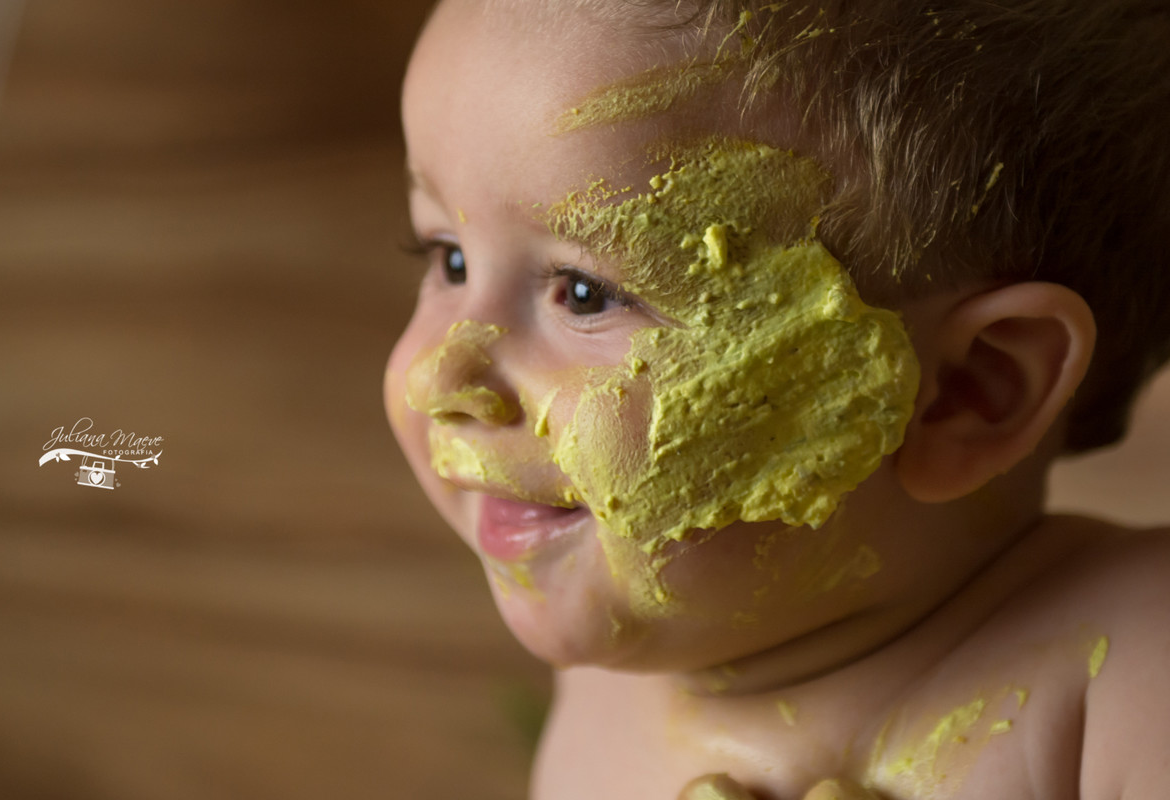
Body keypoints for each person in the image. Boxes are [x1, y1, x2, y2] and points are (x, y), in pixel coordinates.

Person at [383, 0, 1170, 797]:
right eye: (447, 258)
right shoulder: (612, 668)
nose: (437, 377)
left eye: (585, 293)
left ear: (966, 393)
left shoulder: (1134, 684)